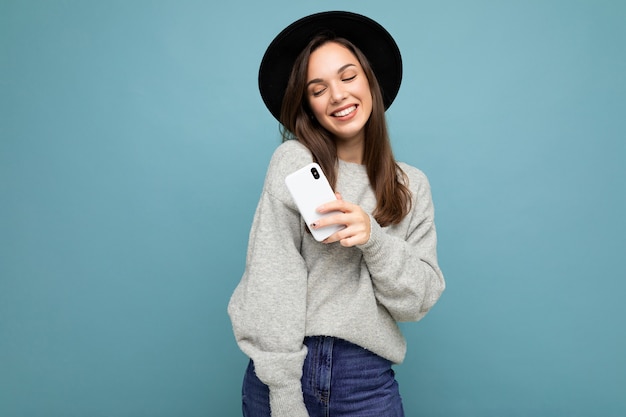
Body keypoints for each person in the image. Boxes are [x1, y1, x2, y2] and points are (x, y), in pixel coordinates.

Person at [228, 11, 445, 417]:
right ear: (307, 104)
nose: (338, 95)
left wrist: (372, 238)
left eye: (348, 77)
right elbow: (272, 277)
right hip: (282, 370)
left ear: (370, 82)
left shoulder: (411, 185)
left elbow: (417, 301)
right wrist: (285, 395)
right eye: (318, 88)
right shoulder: (293, 163)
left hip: (363, 379)